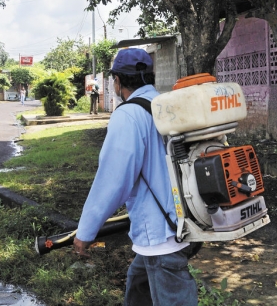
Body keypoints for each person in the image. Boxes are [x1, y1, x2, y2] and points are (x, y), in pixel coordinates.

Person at [73, 48, 198, 306]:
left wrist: (86, 230)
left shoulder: (128, 115)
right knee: (138, 287)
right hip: (186, 219)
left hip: (161, 234)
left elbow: (113, 181)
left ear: (117, 82)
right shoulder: (166, 106)